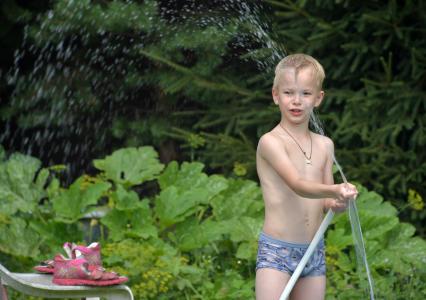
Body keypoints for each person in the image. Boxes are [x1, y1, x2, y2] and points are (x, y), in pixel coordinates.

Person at [255, 53, 358, 300]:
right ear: (275, 95)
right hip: (277, 253)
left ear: (318, 98)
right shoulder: (271, 142)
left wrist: (338, 201)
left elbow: (324, 201)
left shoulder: (325, 145)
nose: (297, 101)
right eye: (289, 93)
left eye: (305, 93)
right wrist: (335, 189)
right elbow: (298, 185)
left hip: (313, 251)